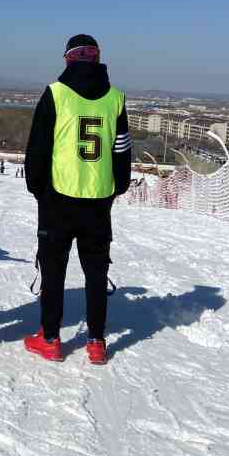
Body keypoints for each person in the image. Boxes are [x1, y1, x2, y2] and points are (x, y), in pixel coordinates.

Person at [24, 34, 131, 365]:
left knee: (54, 270)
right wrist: (118, 186)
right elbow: (122, 150)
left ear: (68, 59)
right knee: (96, 272)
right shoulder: (115, 98)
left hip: (59, 197)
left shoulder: (56, 94)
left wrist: (37, 188)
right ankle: (97, 342)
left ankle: (51, 338)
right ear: (97, 59)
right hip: (99, 199)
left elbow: (38, 148)